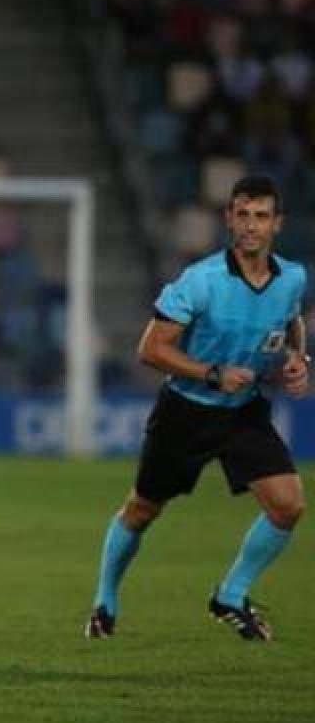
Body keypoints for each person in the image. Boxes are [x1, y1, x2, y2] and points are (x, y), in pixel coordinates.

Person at [85, 175, 308, 642]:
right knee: (142, 509)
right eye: (242, 215)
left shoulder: (293, 278)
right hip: (186, 410)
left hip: (243, 411)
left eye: (261, 216)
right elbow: (151, 350)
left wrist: (297, 360)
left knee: (288, 506)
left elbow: (291, 323)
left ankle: (230, 595)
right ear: (228, 218)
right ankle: (105, 600)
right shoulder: (200, 280)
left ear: (277, 224)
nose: (251, 226)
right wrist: (212, 373)